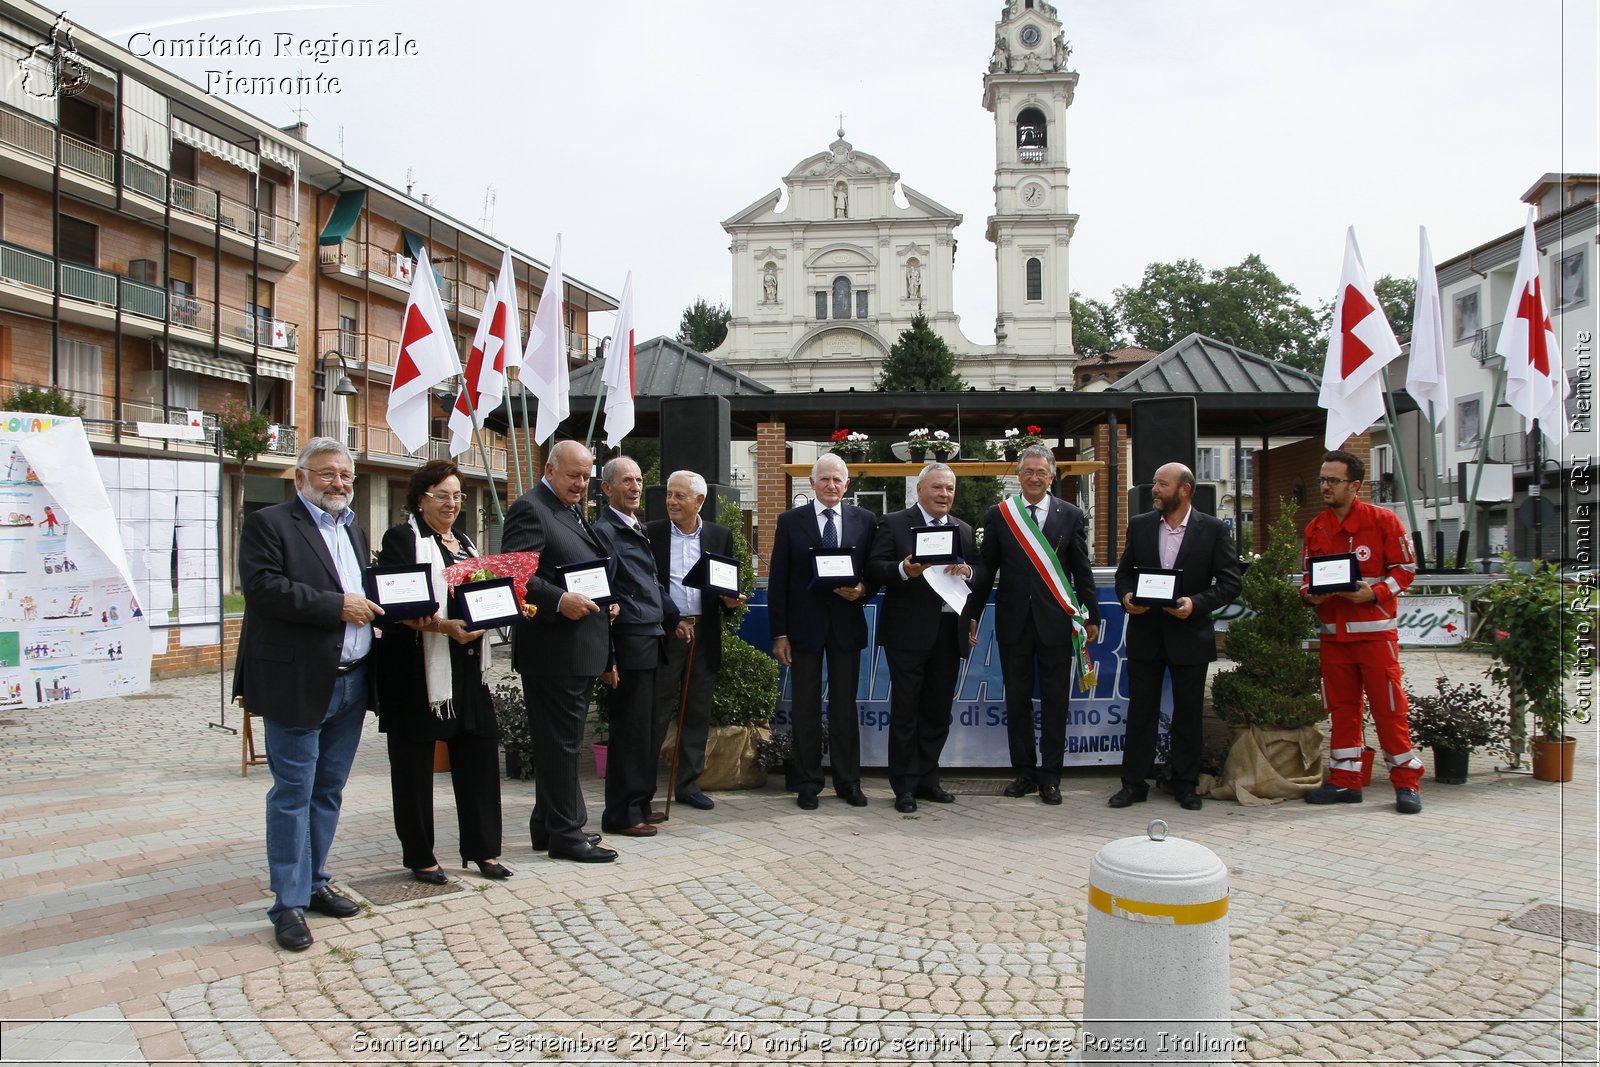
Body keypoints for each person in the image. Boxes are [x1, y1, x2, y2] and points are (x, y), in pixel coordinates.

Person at [234, 437, 382, 952]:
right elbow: (263, 589)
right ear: (300, 478)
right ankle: (288, 904)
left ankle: (315, 882)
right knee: (293, 793)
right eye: (326, 474)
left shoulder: (354, 529)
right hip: (297, 682)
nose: (337, 483)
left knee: (329, 790)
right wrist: (337, 606)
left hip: (352, 680)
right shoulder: (270, 524)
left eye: (345, 475)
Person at [372, 460, 510, 884]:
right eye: (441, 495)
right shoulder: (403, 540)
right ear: (420, 498)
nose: (451, 503)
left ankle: (483, 851)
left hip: (468, 670)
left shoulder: (465, 542)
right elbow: (397, 608)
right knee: (413, 768)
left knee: (481, 755)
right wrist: (445, 627)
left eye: (457, 495)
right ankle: (420, 856)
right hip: (418, 672)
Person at [502, 439, 618, 862]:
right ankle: (566, 834)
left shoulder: (568, 509)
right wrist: (557, 600)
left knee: (560, 742)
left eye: (587, 476)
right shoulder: (531, 508)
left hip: (578, 647)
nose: (581, 484)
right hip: (554, 650)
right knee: (562, 744)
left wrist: (605, 597)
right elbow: (516, 573)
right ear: (549, 470)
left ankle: (546, 826)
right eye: (574, 475)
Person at [966, 444, 1099, 806]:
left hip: (1057, 623)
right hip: (1014, 622)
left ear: (1052, 477)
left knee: (1056, 701)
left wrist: (1092, 616)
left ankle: (1051, 777)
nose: (1035, 478)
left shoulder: (1070, 514)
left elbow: (1081, 569)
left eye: (1042, 472)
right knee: (1018, 701)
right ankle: (1024, 772)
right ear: (1019, 476)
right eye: (1028, 471)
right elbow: (987, 568)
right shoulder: (1001, 514)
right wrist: (972, 612)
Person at [1109, 463, 1241, 812]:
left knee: (1188, 714)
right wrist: (1126, 598)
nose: (1154, 490)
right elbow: (1124, 576)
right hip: (1146, 635)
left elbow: (1231, 582)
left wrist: (1195, 604)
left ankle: (1185, 784)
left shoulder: (1211, 529)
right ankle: (1133, 785)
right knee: (1141, 713)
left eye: (1162, 484)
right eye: (1154, 483)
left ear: (1185, 490)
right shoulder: (1139, 526)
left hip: (1190, 635)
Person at [1300, 449, 1423, 814]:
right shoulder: (1316, 527)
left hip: (1375, 636)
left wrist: (1375, 593)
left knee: (1389, 710)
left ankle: (1406, 782)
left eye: (1333, 480)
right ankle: (1345, 781)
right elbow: (1308, 580)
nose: (1325, 486)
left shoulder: (1384, 522)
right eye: (1322, 479)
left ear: (1355, 486)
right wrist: (1311, 597)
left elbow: (1406, 570)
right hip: (1334, 638)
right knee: (1342, 710)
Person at [769, 453, 877, 810]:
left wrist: (863, 589)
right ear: (812, 483)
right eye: (825, 479)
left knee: (845, 707)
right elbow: (778, 580)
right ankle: (808, 783)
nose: (831, 486)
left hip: (846, 625)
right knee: (805, 707)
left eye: (838, 480)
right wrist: (779, 633)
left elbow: (874, 570)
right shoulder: (790, 521)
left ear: (847, 485)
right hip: (804, 628)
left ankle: (849, 782)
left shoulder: (866, 520)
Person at [867, 463, 976, 813]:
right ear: (919, 490)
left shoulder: (964, 529)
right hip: (907, 635)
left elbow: (981, 572)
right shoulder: (895, 523)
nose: (944, 494)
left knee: (937, 712)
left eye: (949, 489)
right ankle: (904, 786)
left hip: (949, 632)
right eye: (937, 488)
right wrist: (903, 569)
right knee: (906, 712)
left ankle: (929, 779)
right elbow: (875, 567)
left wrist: (970, 570)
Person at [646, 470, 746, 816]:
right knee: (655, 712)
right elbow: (647, 585)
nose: (671, 502)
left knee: (696, 712)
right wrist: (671, 619)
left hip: (703, 634)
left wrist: (730, 603)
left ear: (699, 501)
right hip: (665, 633)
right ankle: (643, 788)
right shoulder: (651, 534)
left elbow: (725, 587)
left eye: (679, 496)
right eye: (669, 495)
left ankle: (688, 784)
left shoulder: (720, 535)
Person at [592, 456, 674, 839]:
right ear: (607, 488)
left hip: (651, 637)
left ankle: (639, 802)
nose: (636, 487)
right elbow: (604, 598)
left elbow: (652, 583)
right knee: (630, 731)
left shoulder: (635, 526)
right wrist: (607, 657)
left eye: (639, 480)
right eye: (626, 481)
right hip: (629, 641)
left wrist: (677, 618)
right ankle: (621, 814)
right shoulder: (605, 532)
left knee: (648, 730)